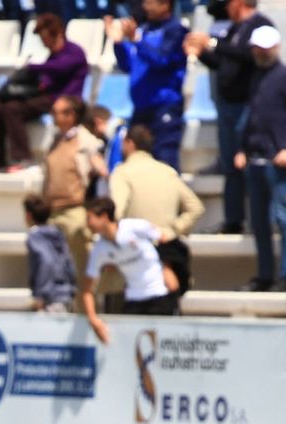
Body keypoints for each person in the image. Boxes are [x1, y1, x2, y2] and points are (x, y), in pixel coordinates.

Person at [185, 0, 274, 235]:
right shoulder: (234, 29)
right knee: (230, 166)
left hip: (249, 106)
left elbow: (249, 56)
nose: (225, 7)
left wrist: (213, 43)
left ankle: (260, 222)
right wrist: (202, 52)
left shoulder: (260, 25)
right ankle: (233, 220)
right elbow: (220, 63)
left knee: (248, 165)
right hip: (228, 107)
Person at [235, 25, 286, 293]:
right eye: (257, 49)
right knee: (258, 222)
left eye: (265, 49)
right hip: (255, 160)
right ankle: (265, 274)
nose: (260, 53)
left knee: (283, 218)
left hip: (276, 162)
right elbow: (252, 117)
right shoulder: (255, 77)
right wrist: (242, 148)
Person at [108, 124, 201, 299]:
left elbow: (116, 212)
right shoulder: (167, 171)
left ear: (129, 143)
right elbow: (195, 208)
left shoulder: (122, 173)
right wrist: (174, 229)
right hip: (168, 247)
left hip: (136, 254)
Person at [0, 12, 87, 172]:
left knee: (13, 109)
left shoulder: (74, 52)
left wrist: (32, 67)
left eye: (46, 38)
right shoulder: (52, 56)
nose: (44, 43)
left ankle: (22, 157)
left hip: (64, 100)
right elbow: (46, 80)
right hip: (45, 97)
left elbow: (59, 68)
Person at [79, 197, 177, 343]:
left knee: (164, 347)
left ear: (104, 217)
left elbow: (165, 240)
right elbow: (87, 290)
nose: (87, 224)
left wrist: (167, 268)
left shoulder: (134, 227)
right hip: (134, 299)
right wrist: (93, 320)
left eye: (89, 218)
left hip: (159, 293)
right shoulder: (99, 249)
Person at [106, 0, 187, 171]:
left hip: (165, 106)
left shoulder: (176, 31)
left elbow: (162, 60)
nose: (145, 7)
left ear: (166, 5)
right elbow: (127, 64)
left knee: (165, 163)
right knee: (135, 161)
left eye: (150, 3)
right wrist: (119, 43)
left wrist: (136, 39)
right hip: (141, 107)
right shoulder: (143, 29)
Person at [42, 94, 107, 280]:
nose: (55, 117)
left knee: (81, 268)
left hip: (75, 210)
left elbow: (98, 165)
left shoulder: (86, 141)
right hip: (52, 212)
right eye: (53, 112)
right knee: (53, 270)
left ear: (73, 115)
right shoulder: (55, 140)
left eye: (61, 112)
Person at [24, 194, 76, 313]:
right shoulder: (57, 233)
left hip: (50, 297)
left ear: (28, 215)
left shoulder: (35, 236)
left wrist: (40, 295)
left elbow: (45, 261)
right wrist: (72, 288)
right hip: (66, 293)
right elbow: (69, 261)